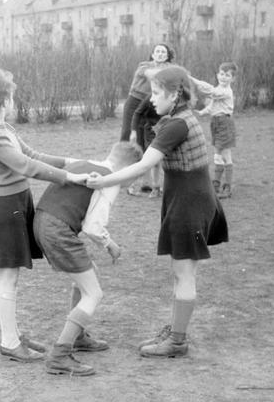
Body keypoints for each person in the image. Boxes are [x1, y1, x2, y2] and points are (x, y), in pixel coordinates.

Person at [86, 66, 228, 358]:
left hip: (189, 202)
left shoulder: (177, 124)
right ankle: (176, 330)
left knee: (183, 272)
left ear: (174, 94)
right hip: (188, 198)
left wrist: (103, 181)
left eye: (156, 92)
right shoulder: (179, 118)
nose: (151, 99)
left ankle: (177, 341)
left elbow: (142, 166)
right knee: (181, 272)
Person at [0, 69, 89, 363]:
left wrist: (71, 162)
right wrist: (70, 178)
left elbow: (33, 155)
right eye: (11, 95)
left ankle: (13, 335)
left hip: (15, 203)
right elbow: (26, 166)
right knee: (7, 276)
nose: (13, 100)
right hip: (3, 209)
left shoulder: (4, 129)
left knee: (11, 277)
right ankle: (9, 342)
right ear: (2, 100)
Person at [34, 141, 143, 376]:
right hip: (58, 229)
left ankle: (78, 337)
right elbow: (93, 226)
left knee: (87, 273)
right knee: (94, 293)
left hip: (42, 222)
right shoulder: (109, 181)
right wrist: (110, 244)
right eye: (135, 174)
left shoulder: (86, 163)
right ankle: (60, 356)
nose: (134, 180)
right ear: (128, 169)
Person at [189, 62, 238, 199]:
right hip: (215, 123)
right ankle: (216, 184)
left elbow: (212, 92)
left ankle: (227, 187)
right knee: (218, 155)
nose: (223, 77)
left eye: (227, 75)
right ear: (217, 75)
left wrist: (193, 80)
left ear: (232, 79)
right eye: (222, 74)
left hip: (225, 123)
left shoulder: (225, 91)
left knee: (224, 154)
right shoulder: (219, 88)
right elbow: (212, 106)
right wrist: (201, 113)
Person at [120, 43, 174, 143]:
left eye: (163, 52)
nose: (160, 54)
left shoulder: (170, 68)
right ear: (153, 55)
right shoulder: (144, 66)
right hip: (135, 101)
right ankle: (122, 156)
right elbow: (151, 74)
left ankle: (141, 157)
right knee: (127, 133)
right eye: (157, 51)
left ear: (167, 56)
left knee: (143, 134)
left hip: (152, 104)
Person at [128, 97, 163, 198]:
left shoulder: (171, 96)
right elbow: (137, 113)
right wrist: (133, 131)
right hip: (151, 130)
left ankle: (156, 188)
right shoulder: (149, 99)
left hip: (165, 128)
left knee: (161, 160)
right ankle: (133, 186)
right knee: (151, 159)